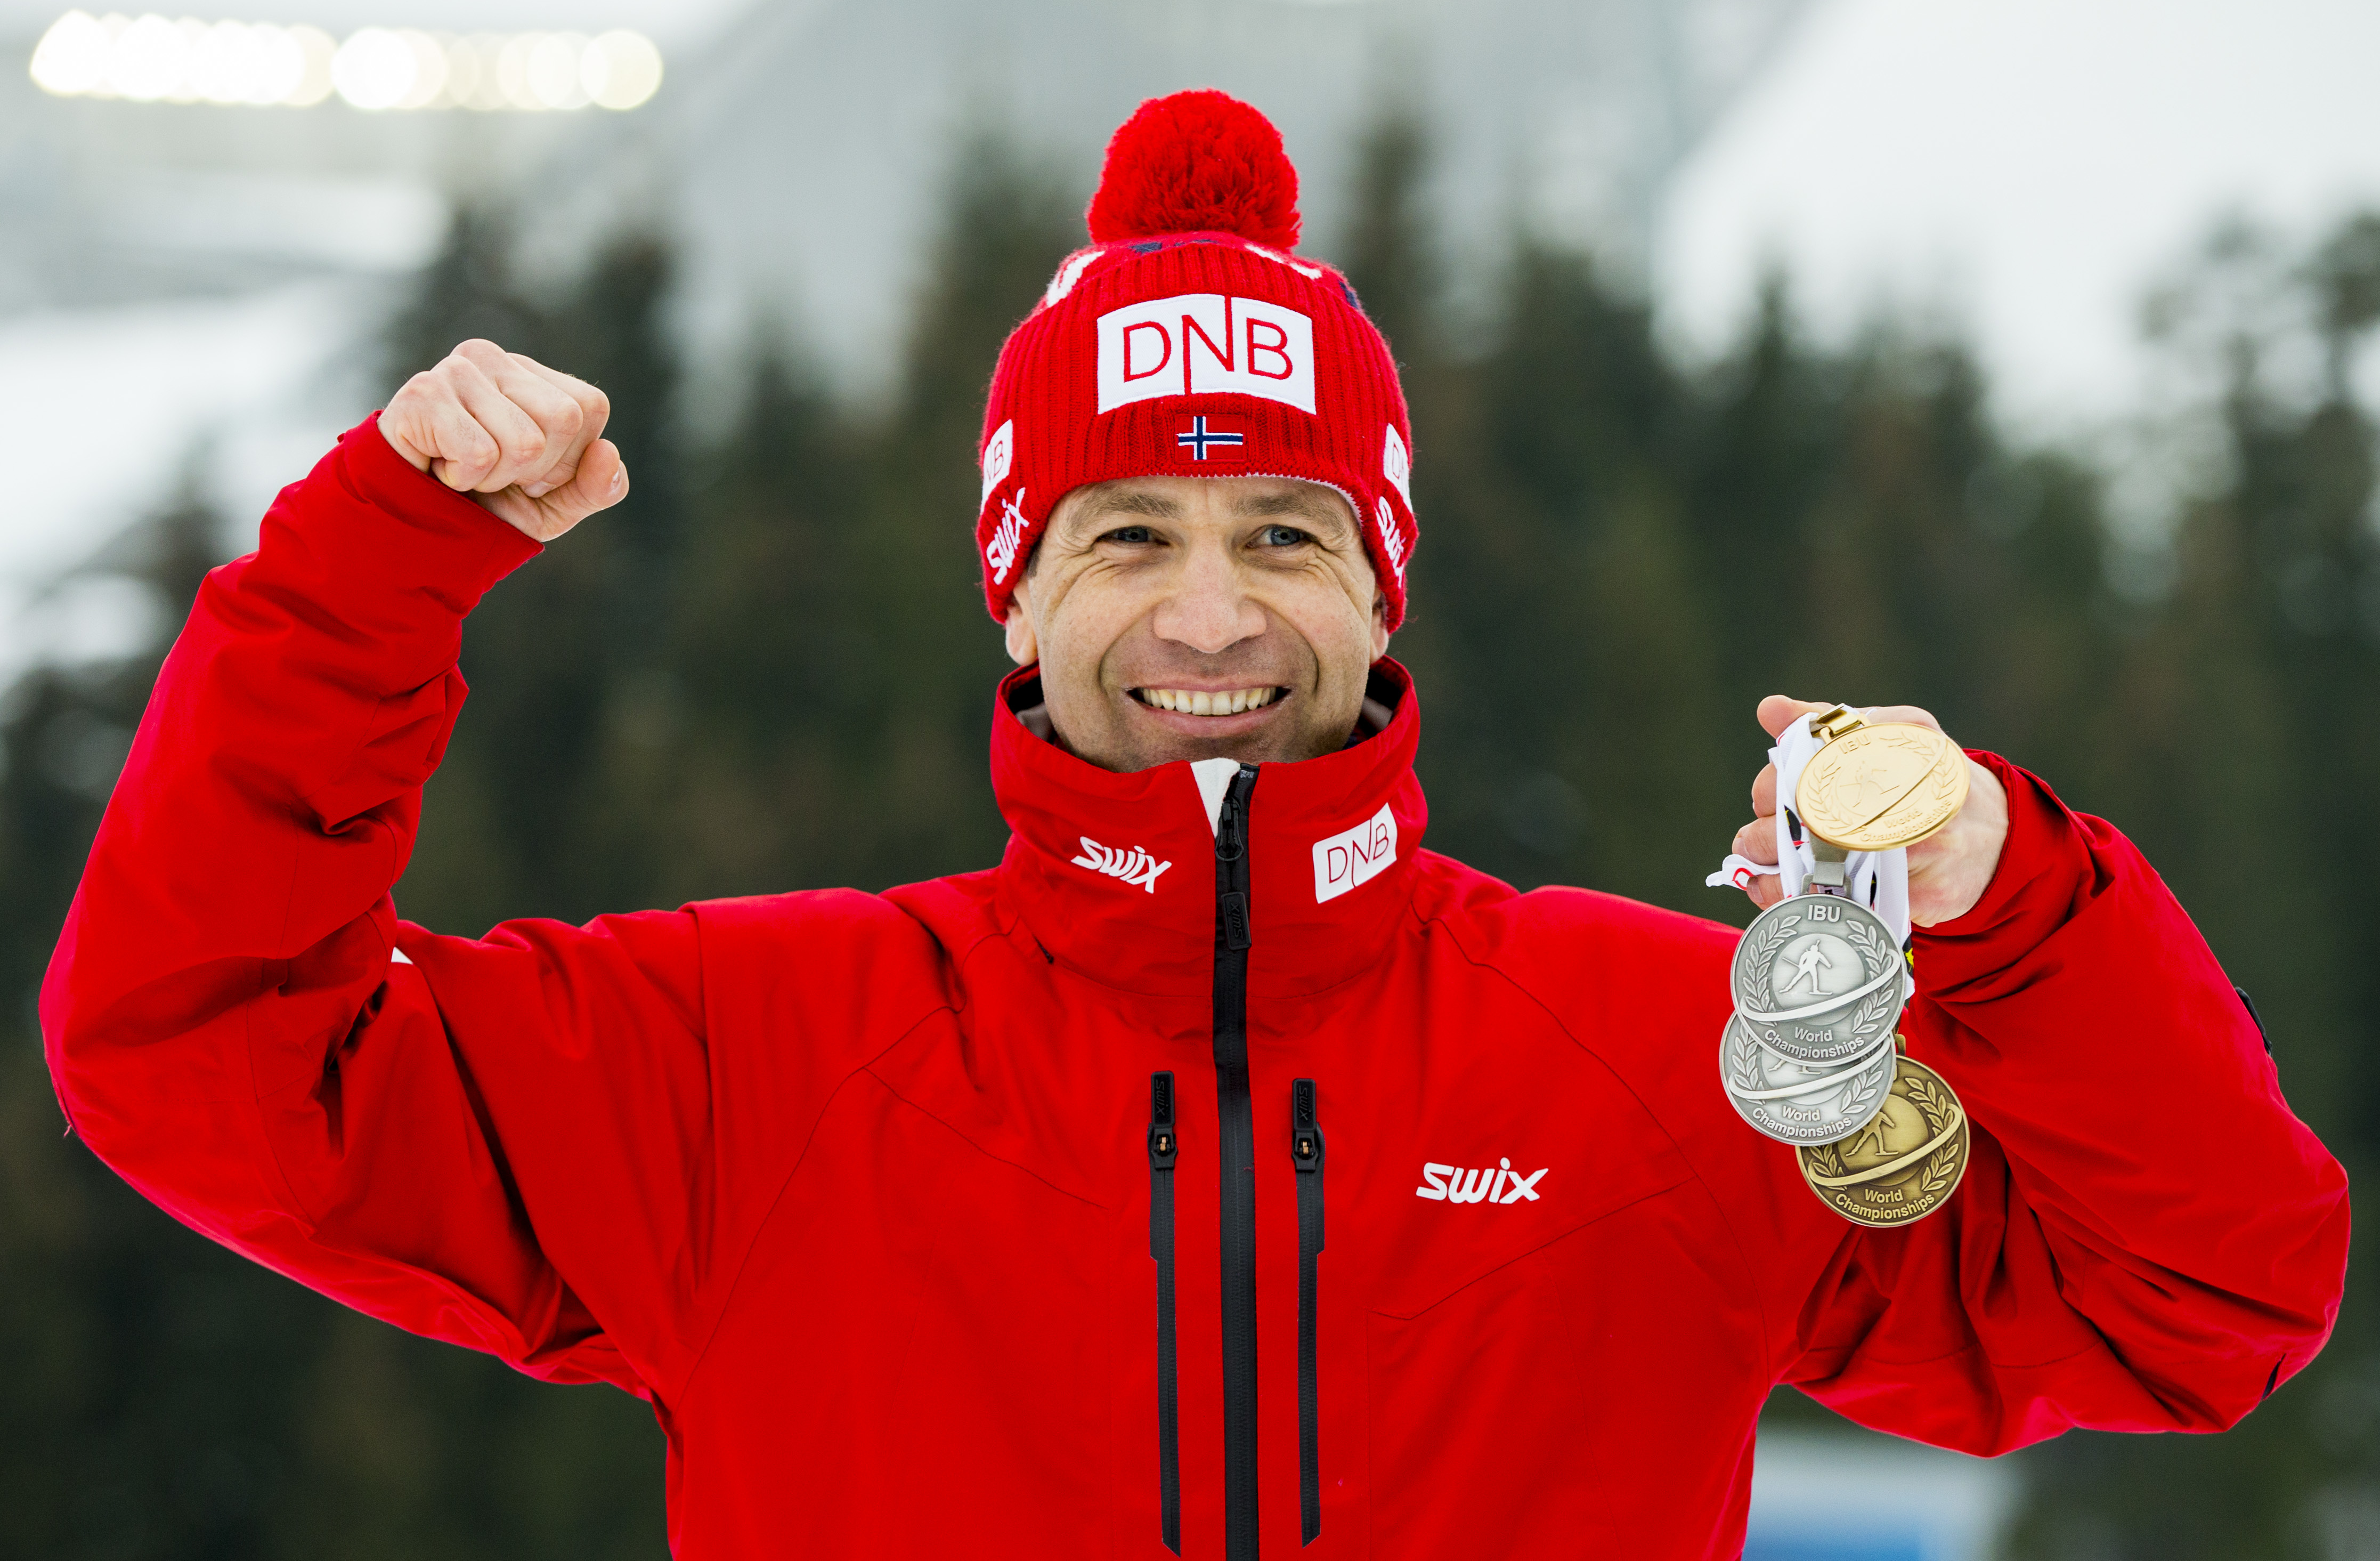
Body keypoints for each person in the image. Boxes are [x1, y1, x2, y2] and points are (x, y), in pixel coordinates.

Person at [41, 90, 2348, 1559]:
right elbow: (204, 1050)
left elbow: (2203, 1304)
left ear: (1383, 583)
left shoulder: (1667, 1058)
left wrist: (2015, 905)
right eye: (1126, 533)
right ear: (1015, 591)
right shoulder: (746, 1054)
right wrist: (374, 568)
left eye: (1286, 533)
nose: (1213, 611)